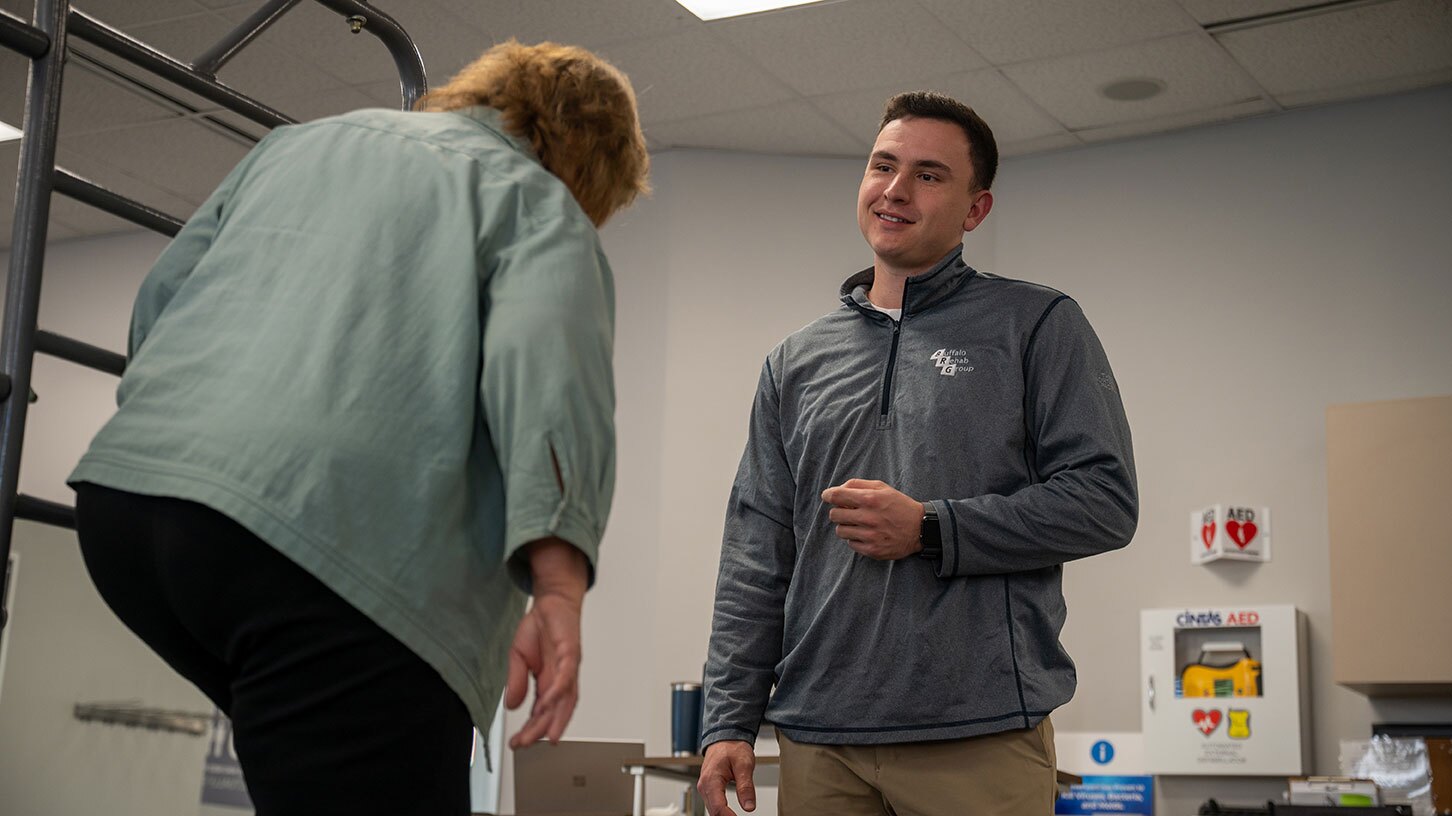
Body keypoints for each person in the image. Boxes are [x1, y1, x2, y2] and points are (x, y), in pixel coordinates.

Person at [67, 40, 648, 816]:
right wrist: (557, 590)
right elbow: (548, 386)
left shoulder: (299, 145)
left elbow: (160, 306)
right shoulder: (539, 205)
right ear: (593, 170)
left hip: (127, 513)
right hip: (319, 553)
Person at [697, 91, 1137, 815]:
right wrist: (728, 719)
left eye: (930, 175)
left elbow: (1104, 502)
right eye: (883, 166)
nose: (896, 190)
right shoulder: (794, 362)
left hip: (980, 733)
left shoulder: (1036, 325)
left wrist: (933, 529)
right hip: (818, 740)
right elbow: (756, 552)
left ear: (976, 210)